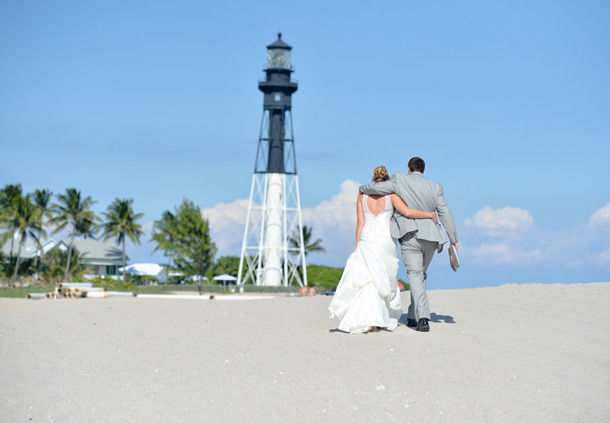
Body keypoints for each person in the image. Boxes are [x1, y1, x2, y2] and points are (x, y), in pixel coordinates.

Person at [329, 166, 438, 334]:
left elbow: (360, 222)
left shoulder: (362, 196)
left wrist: (358, 246)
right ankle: (377, 320)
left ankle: (370, 320)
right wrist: (429, 215)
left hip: (367, 239)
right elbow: (408, 213)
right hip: (384, 240)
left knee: (368, 280)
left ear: (373, 181)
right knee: (381, 279)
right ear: (386, 182)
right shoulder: (391, 196)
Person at [359, 157, 458, 332]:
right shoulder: (436, 186)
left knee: (415, 274)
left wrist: (362, 188)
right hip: (431, 237)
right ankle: (413, 315)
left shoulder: (399, 179)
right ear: (424, 170)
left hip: (410, 235)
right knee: (419, 275)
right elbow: (444, 212)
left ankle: (423, 318)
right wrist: (453, 237)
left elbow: (377, 188)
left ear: (408, 168)